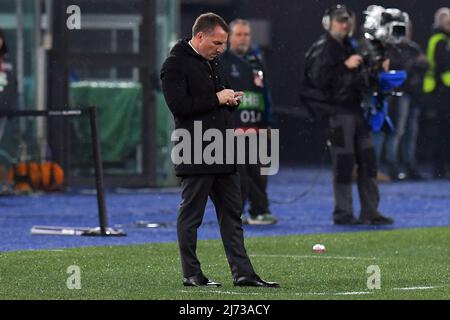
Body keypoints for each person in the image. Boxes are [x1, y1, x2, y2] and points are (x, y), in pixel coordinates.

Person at [160, 13, 279, 288]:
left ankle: (243, 273)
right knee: (192, 215)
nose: (221, 49)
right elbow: (179, 107)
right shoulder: (174, 64)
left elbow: (217, 98)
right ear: (199, 37)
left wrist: (230, 100)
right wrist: (217, 98)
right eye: (216, 43)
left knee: (232, 213)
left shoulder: (212, 60)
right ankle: (191, 274)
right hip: (195, 148)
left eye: (223, 43)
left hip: (223, 147)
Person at [301, 5, 394, 225]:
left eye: (347, 21)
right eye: (340, 21)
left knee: (368, 161)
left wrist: (374, 70)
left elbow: (357, 80)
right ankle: (343, 212)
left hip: (355, 110)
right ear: (328, 23)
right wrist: (344, 66)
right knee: (343, 163)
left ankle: (370, 211)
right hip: (338, 113)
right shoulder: (323, 48)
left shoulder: (349, 46)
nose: (345, 25)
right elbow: (317, 83)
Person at [221, 19, 277, 225]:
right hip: (234, 128)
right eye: (239, 34)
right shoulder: (222, 62)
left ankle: (259, 210)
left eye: (246, 34)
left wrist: (268, 121)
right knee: (238, 175)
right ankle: (236, 212)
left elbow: (266, 94)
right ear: (229, 37)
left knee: (260, 173)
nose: (243, 38)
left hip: (257, 127)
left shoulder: (256, 61)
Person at [383, 23, 429, 181]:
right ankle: (392, 165)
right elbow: (396, 68)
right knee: (398, 130)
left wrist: (416, 64)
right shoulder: (392, 48)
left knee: (411, 132)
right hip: (399, 94)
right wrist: (412, 64)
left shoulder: (414, 47)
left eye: (408, 29)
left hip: (414, 94)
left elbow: (425, 64)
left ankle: (410, 165)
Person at [423, 8, 450, 179]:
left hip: (443, 91)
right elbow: (443, 65)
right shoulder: (439, 40)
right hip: (440, 92)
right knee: (441, 133)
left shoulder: (444, 40)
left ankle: (442, 169)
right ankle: (439, 169)